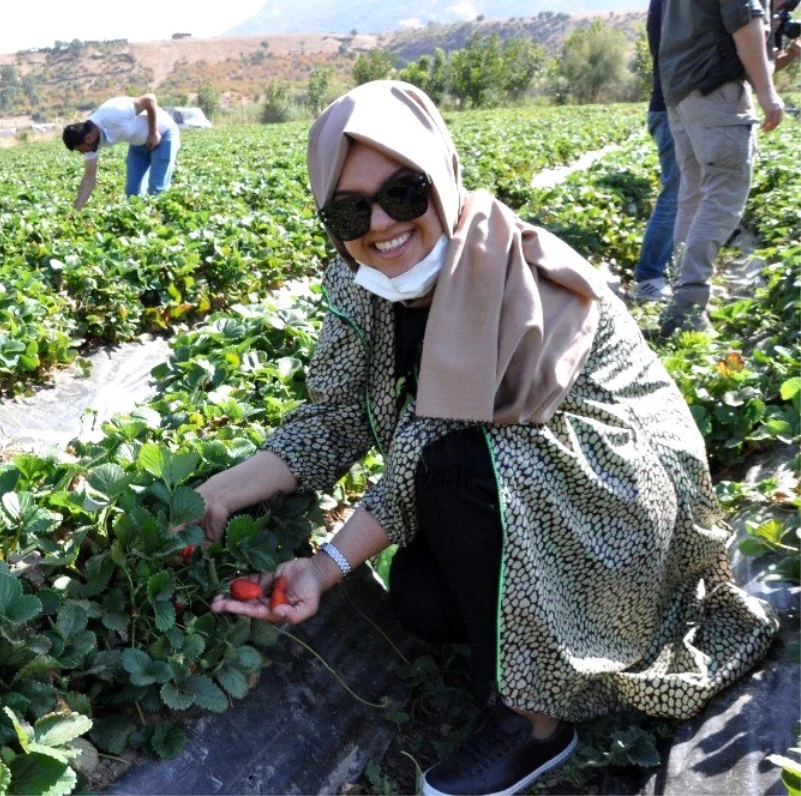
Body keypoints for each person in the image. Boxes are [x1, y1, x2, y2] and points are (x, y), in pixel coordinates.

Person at [197, 81, 779, 796]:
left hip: (621, 495)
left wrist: (324, 566)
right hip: (517, 482)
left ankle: (533, 723)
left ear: (439, 176)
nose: (381, 223)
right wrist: (216, 495)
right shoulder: (362, 282)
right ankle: (549, 648)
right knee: (421, 598)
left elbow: (426, 457)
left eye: (404, 193)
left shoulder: (497, 271)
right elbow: (335, 415)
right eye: (351, 209)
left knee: (455, 472)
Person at [657, 0, 784, 335]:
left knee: (695, 195)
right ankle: (689, 303)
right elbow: (745, 22)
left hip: (682, 92)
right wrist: (767, 93)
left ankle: (680, 301)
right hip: (715, 89)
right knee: (723, 194)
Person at [633, 0, 681, 303]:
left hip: (670, 108)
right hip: (671, 110)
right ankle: (649, 276)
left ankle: (665, 268)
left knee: (683, 193)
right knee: (676, 193)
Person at [61, 94, 180, 210]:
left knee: (156, 190)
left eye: (81, 150)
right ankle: (143, 223)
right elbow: (89, 177)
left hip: (163, 134)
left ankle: (161, 223)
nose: (83, 154)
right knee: (132, 193)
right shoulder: (90, 143)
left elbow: (150, 99)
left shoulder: (113, 112)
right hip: (138, 144)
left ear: (88, 138)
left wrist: (153, 132)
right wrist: (75, 211)